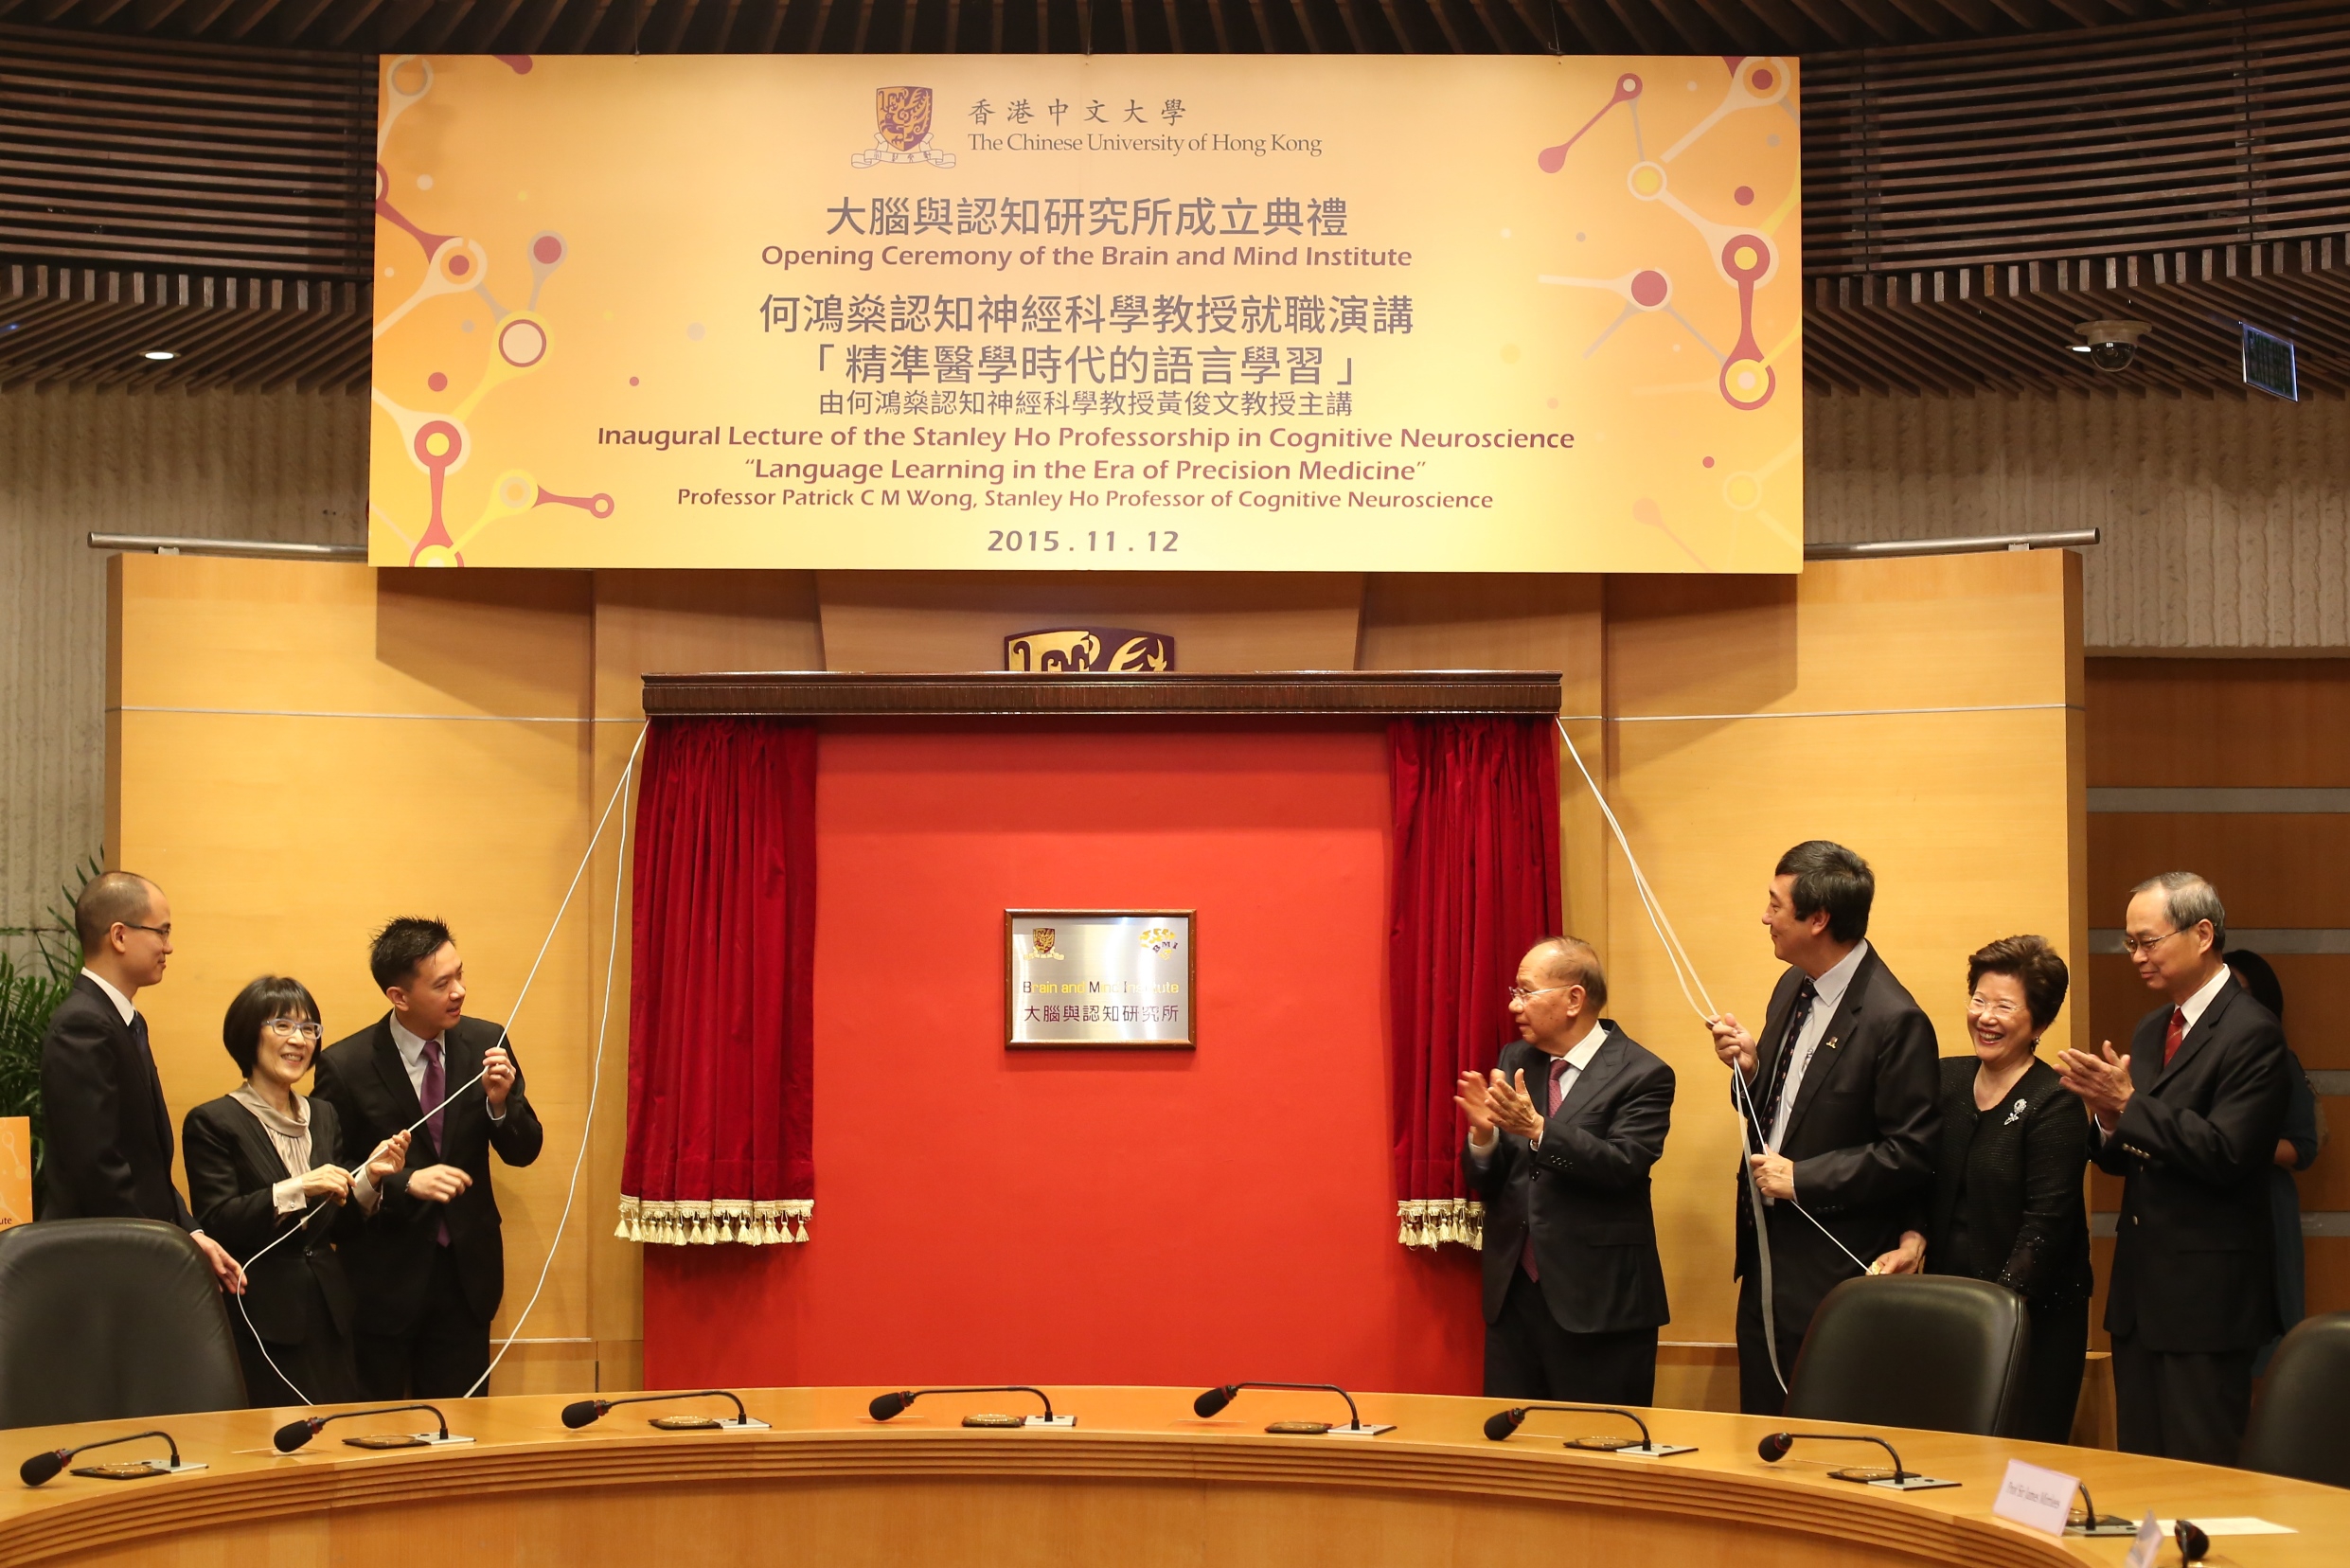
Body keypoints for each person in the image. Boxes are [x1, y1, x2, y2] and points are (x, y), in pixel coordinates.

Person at [2056, 872, 2288, 1465]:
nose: (2136, 956)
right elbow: (2124, 1156)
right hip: (2141, 1295)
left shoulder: (2252, 1032)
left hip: (2207, 1301)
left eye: (2147, 941)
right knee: (2141, 1474)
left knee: (2202, 1477)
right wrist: (2107, 1118)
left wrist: (2130, 1107)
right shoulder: (2153, 1027)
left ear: (2203, 933)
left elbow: (2229, 1153)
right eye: (2129, 942)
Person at [1707, 841, 1939, 1417]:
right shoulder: (1793, 986)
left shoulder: (1894, 1018)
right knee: (1761, 1425)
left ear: (1818, 919)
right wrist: (1750, 1070)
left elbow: (1911, 1151)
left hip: (1832, 1266)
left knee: (1822, 1429)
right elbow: (1781, 1112)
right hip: (1766, 1257)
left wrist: (1804, 1178)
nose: (1765, 917)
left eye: (1775, 905)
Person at [312, 918, 543, 1399]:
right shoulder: (346, 1064)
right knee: (380, 1434)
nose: (460, 991)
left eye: (460, 974)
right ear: (399, 996)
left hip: (465, 1279)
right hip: (382, 1281)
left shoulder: (488, 1042)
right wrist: (404, 1182)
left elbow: (525, 1150)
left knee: (462, 1432)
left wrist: (501, 1104)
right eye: (442, 984)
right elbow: (335, 1178)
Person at [1877, 935, 2092, 1444]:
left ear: (2038, 1024)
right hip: (1949, 1312)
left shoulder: (2054, 1102)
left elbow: (2047, 1226)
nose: (1986, 1017)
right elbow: (1916, 1176)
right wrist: (1913, 1238)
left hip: (2033, 1321)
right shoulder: (1945, 1078)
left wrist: (1995, 1313)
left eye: (2004, 1006)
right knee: (1947, 1453)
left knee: (2025, 1472)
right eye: (1979, 1000)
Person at [1456, 937, 1675, 1405]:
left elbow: (1623, 1164)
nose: (1515, 1005)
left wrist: (1537, 1128)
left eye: (1526, 992)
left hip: (1599, 1301)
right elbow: (1493, 1181)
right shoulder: (1515, 1060)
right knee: (1514, 1450)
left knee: (1597, 1450)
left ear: (1574, 998)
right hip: (1514, 1296)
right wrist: (1483, 1138)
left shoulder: (1643, 1073)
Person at [183, 976, 412, 1407]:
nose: (299, 1040)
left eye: (310, 1029)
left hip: (332, 1315)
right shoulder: (213, 1121)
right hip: (262, 1318)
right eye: (283, 1026)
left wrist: (370, 1180)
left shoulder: (323, 1114)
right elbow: (218, 1221)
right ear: (249, 1033)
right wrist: (299, 1187)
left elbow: (338, 1226)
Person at [37, 870, 243, 1292]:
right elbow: (98, 1168)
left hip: (133, 1248)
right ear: (119, 935)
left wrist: (193, 1232)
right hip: (103, 1262)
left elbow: (146, 1164)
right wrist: (166, 1245)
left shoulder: (124, 1020)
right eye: (162, 931)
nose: (169, 946)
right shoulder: (82, 1024)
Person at [2221, 949, 2326, 1375]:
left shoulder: (2278, 1059)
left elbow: (2303, 1148)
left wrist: (2227, 1142)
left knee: (2268, 1348)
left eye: (2239, 993)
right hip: (2207, 1213)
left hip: (2265, 1210)